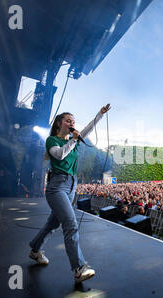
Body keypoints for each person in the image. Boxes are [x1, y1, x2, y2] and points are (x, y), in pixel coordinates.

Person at [28, 104, 111, 283]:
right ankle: (78, 268)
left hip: (71, 184)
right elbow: (59, 156)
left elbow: (88, 129)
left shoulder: (73, 139)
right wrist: (72, 140)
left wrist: (100, 114)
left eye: (73, 121)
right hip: (57, 186)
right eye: (68, 120)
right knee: (71, 224)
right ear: (59, 124)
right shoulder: (52, 141)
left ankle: (35, 250)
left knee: (52, 224)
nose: (72, 123)